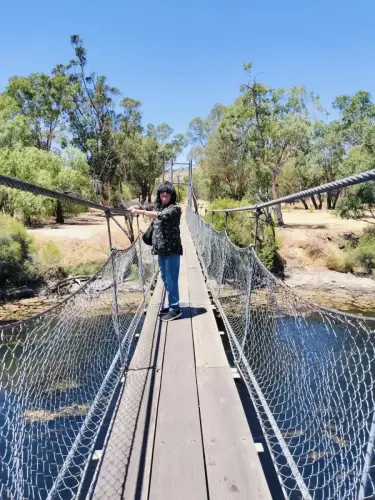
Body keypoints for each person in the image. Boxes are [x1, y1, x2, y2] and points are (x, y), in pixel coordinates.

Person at [130, 181, 182, 321]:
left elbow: (159, 215)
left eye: (167, 192)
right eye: (161, 192)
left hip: (172, 250)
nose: (164, 194)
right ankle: (172, 305)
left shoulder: (175, 209)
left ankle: (175, 309)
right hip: (161, 250)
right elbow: (151, 208)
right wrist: (137, 207)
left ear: (172, 195)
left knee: (171, 280)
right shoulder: (159, 206)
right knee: (165, 279)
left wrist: (139, 211)